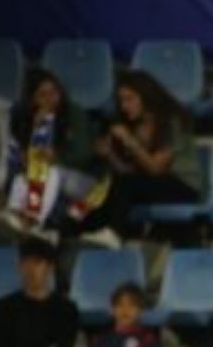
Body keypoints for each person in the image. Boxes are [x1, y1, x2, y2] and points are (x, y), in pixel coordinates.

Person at [85, 71, 201, 234]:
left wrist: (129, 140)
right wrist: (109, 154)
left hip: (182, 186)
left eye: (130, 99)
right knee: (104, 184)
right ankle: (82, 231)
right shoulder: (133, 125)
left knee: (126, 183)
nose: (124, 106)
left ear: (146, 97)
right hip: (146, 184)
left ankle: (112, 233)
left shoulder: (173, 121)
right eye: (121, 100)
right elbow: (128, 172)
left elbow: (156, 169)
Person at [0, 69, 98, 238]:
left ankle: (33, 219)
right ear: (33, 99)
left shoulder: (73, 113)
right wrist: (37, 128)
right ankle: (15, 215)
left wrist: (57, 157)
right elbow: (23, 156)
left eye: (54, 92)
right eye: (43, 94)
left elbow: (83, 156)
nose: (50, 98)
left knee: (50, 172)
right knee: (23, 177)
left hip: (81, 180)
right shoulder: (24, 117)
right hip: (38, 176)